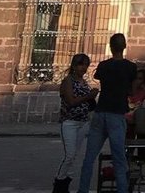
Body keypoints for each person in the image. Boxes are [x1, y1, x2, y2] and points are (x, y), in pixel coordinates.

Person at [76, 32, 138, 193]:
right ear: (124, 46)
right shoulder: (131, 67)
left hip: (100, 111)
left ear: (110, 47)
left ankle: (83, 190)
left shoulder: (103, 65)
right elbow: (132, 91)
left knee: (89, 157)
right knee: (119, 158)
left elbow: (99, 77)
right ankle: (122, 190)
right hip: (117, 114)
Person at [53, 53, 95, 193]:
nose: (84, 68)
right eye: (81, 64)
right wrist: (88, 96)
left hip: (83, 122)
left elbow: (87, 101)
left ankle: (66, 182)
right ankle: (59, 182)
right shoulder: (68, 81)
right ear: (74, 65)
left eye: (86, 65)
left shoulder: (85, 82)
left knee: (75, 155)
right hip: (70, 122)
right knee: (69, 154)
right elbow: (71, 101)